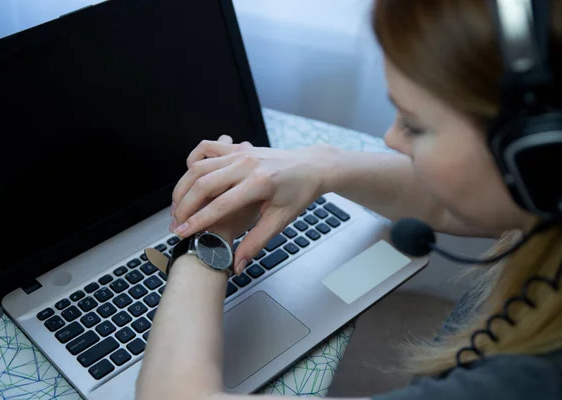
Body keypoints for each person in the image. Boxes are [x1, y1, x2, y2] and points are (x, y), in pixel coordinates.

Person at [136, 0, 562, 399]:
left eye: (415, 125)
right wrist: (322, 165)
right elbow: (444, 203)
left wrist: (207, 241)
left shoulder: (529, 381)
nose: (390, 138)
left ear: (535, 156)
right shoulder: (544, 202)